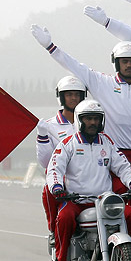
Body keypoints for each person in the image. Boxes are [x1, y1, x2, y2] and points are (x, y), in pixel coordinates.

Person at [31, 26, 131, 261]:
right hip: (107, 153)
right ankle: (106, 252)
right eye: (124, 62)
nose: (129, 66)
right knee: (112, 207)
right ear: (116, 64)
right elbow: (74, 65)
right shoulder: (102, 83)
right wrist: (50, 47)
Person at [45, 100, 131, 261]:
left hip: (104, 202)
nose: (92, 123)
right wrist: (57, 187)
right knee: (64, 218)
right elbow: (54, 169)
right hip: (76, 200)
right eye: (88, 119)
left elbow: (123, 166)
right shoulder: (68, 144)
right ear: (79, 121)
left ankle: (123, 256)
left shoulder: (107, 143)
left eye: (96, 119)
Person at [35, 75, 86, 236]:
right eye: (69, 94)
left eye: (77, 94)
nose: (73, 98)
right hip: (62, 178)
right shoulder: (49, 126)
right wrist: (42, 136)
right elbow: (45, 163)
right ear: (61, 97)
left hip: (88, 175)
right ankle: (54, 231)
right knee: (48, 190)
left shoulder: (92, 122)